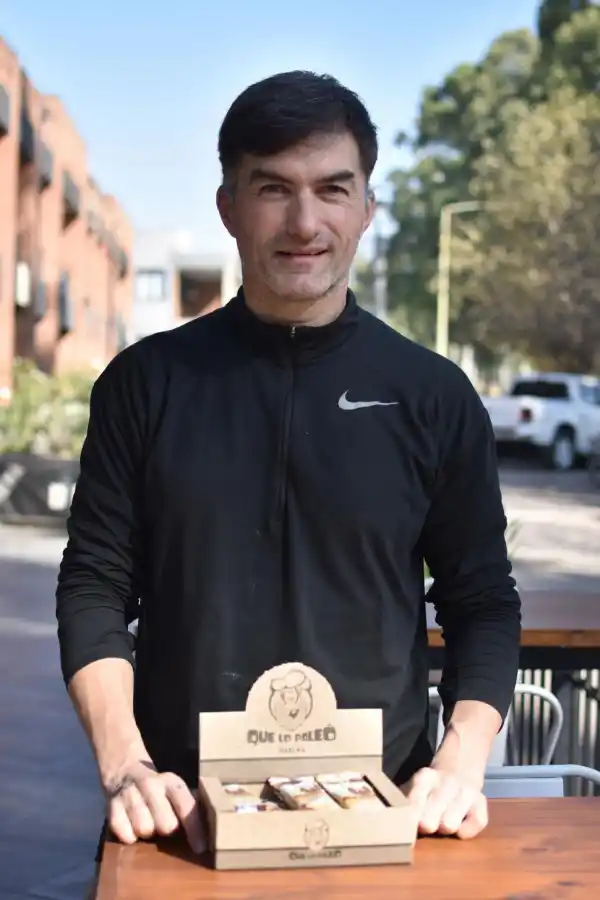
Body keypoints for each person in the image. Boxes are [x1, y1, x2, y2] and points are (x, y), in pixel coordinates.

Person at [56, 70, 521, 866]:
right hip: (182, 824)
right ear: (228, 206)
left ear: (367, 209)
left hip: (381, 818)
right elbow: (95, 584)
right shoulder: (144, 385)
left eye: (333, 189)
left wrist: (459, 760)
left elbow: (482, 601)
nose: (305, 221)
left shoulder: (433, 395)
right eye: (273, 188)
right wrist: (123, 761)